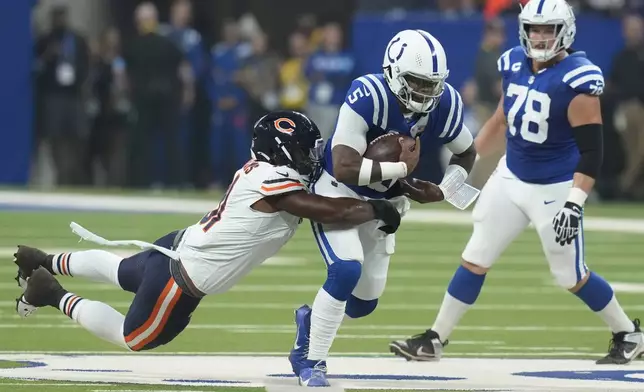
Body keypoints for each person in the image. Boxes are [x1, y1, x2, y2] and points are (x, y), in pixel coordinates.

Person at [13, 111, 402, 354]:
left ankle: (44, 260)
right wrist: (371, 208)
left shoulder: (262, 171)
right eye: (305, 151)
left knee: (121, 271)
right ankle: (53, 293)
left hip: (179, 250)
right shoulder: (274, 178)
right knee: (135, 338)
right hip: (181, 279)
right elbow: (318, 207)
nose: (312, 159)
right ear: (283, 152)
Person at [389, 0, 643, 365]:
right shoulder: (512, 63)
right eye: (534, 29)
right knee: (475, 256)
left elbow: (592, 154)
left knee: (570, 275)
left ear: (565, 31)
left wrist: (575, 201)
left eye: (548, 30)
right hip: (510, 176)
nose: (539, 37)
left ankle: (628, 333)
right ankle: (434, 339)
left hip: (555, 188)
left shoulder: (578, 79)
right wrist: (463, 169)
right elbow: (499, 120)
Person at [289, 29, 477, 386]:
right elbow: (345, 165)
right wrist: (402, 174)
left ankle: (310, 322)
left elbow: (466, 152)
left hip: (385, 202)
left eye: (431, 84)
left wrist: (442, 189)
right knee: (345, 270)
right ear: (392, 71)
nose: (425, 93)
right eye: (416, 82)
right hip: (337, 190)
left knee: (363, 303)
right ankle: (312, 362)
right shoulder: (369, 94)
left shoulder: (445, 102)